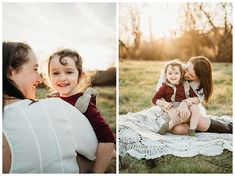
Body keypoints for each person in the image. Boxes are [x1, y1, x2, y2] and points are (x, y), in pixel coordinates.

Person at [2, 41, 98, 173]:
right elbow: (96, 152)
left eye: (69, 72)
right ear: (10, 73)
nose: (40, 79)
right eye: (35, 69)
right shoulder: (58, 108)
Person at [47, 49, 116, 173]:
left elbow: (107, 139)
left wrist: (97, 172)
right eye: (55, 73)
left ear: (80, 75)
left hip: (81, 158)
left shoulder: (83, 103)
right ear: (49, 76)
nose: (62, 78)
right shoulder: (51, 100)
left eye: (69, 72)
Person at [156, 56, 232, 135]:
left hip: (193, 109)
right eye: (187, 69)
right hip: (170, 108)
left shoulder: (200, 85)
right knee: (181, 130)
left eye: (191, 75)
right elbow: (159, 96)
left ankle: (229, 127)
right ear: (187, 63)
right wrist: (170, 111)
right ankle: (193, 126)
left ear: (199, 78)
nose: (185, 74)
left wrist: (185, 103)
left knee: (201, 123)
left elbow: (196, 100)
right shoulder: (171, 70)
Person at [152, 60, 200, 136]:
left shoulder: (186, 85)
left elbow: (196, 99)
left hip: (183, 108)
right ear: (166, 75)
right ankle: (170, 125)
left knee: (195, 108)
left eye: (176, 73)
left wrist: (187, 102)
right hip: (171, 110)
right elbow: (154, 99)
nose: (173, 76)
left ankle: (191, 130)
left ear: (181, 75)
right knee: (182, 127)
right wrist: (164, 103)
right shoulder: (165, 87)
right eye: (170, 73)